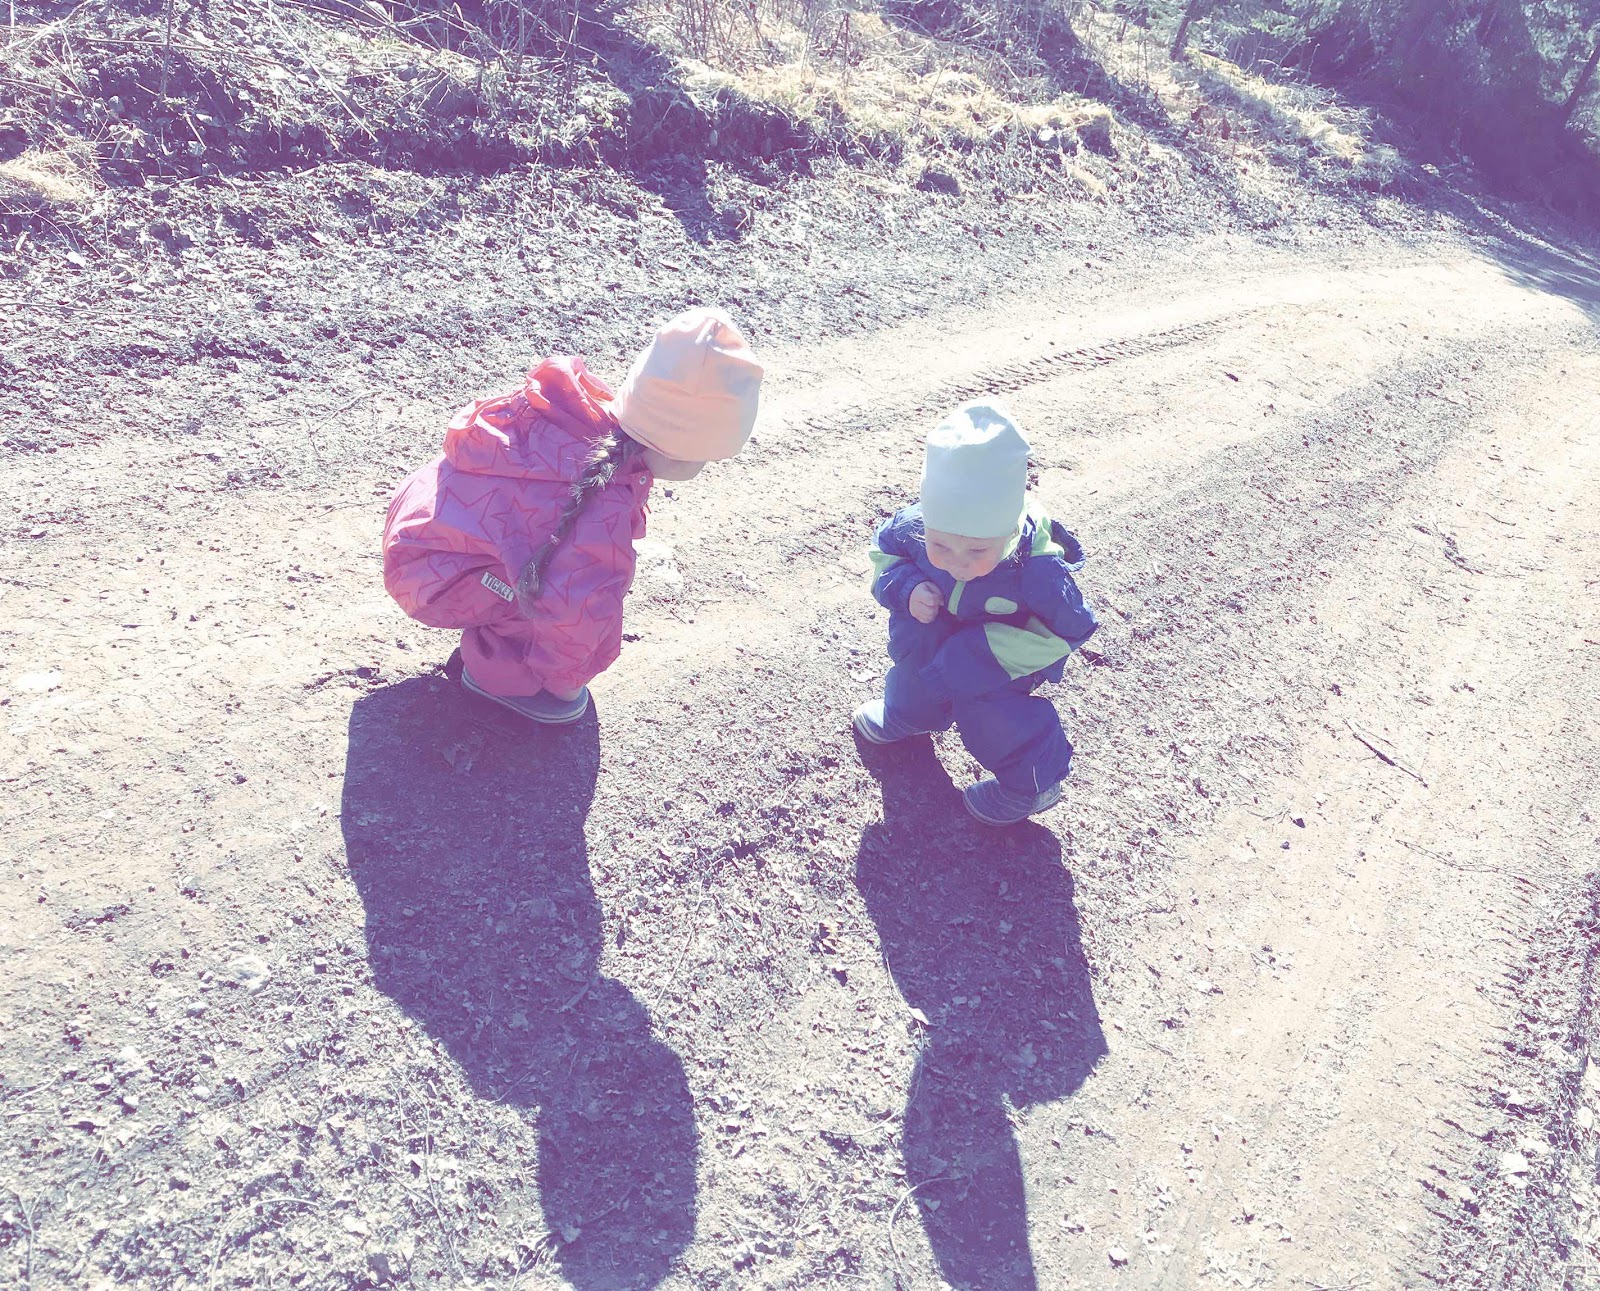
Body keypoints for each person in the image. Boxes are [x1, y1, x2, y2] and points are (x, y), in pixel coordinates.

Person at [382, 306, 762, 723]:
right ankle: (495, 677)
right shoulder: (600, 519)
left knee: (539, 561)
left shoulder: (578, 418)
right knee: (544, 601)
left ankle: (491, 606)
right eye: (708, 457)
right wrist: (564, 682)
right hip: (428, 576)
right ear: (680, 451)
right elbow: (577, 615)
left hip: (425, 526)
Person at [852, 400, 1098, 825]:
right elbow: (884, 554)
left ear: (1008, 531)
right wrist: (906, 588)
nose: (958, 564)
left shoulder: (1037, 570)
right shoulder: (912, 527)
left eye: (978, 550)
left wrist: (979, 654)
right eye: (940, 546)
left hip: (999, 657)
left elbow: (1070, 630)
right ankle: (909, 713)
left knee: (988, 709)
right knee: (917, 653)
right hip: (940, 628)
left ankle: (1031, 784)